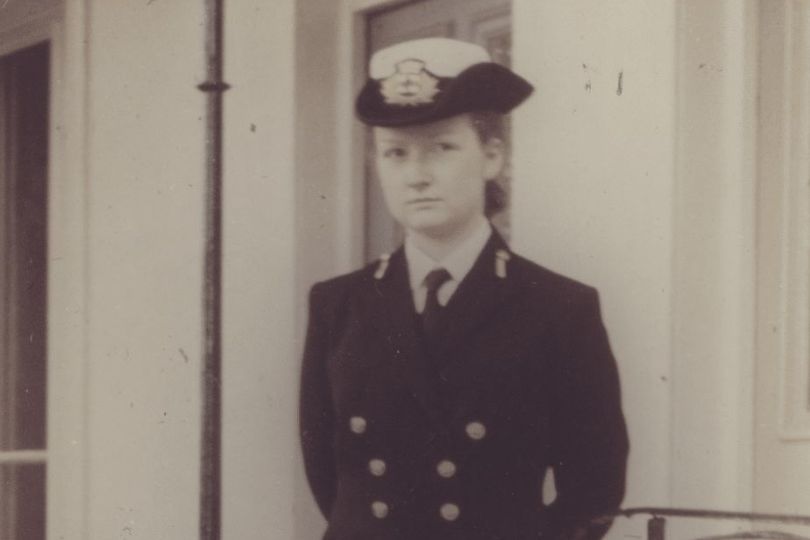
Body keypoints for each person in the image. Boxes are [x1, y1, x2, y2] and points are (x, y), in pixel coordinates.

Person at [299, 37, 629, 540]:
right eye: (395, 153)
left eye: (442, 148)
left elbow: (594, 489)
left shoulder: (559, 308)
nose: (416, 175)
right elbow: (329, 478)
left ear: (492, 156)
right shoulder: (337, 305)